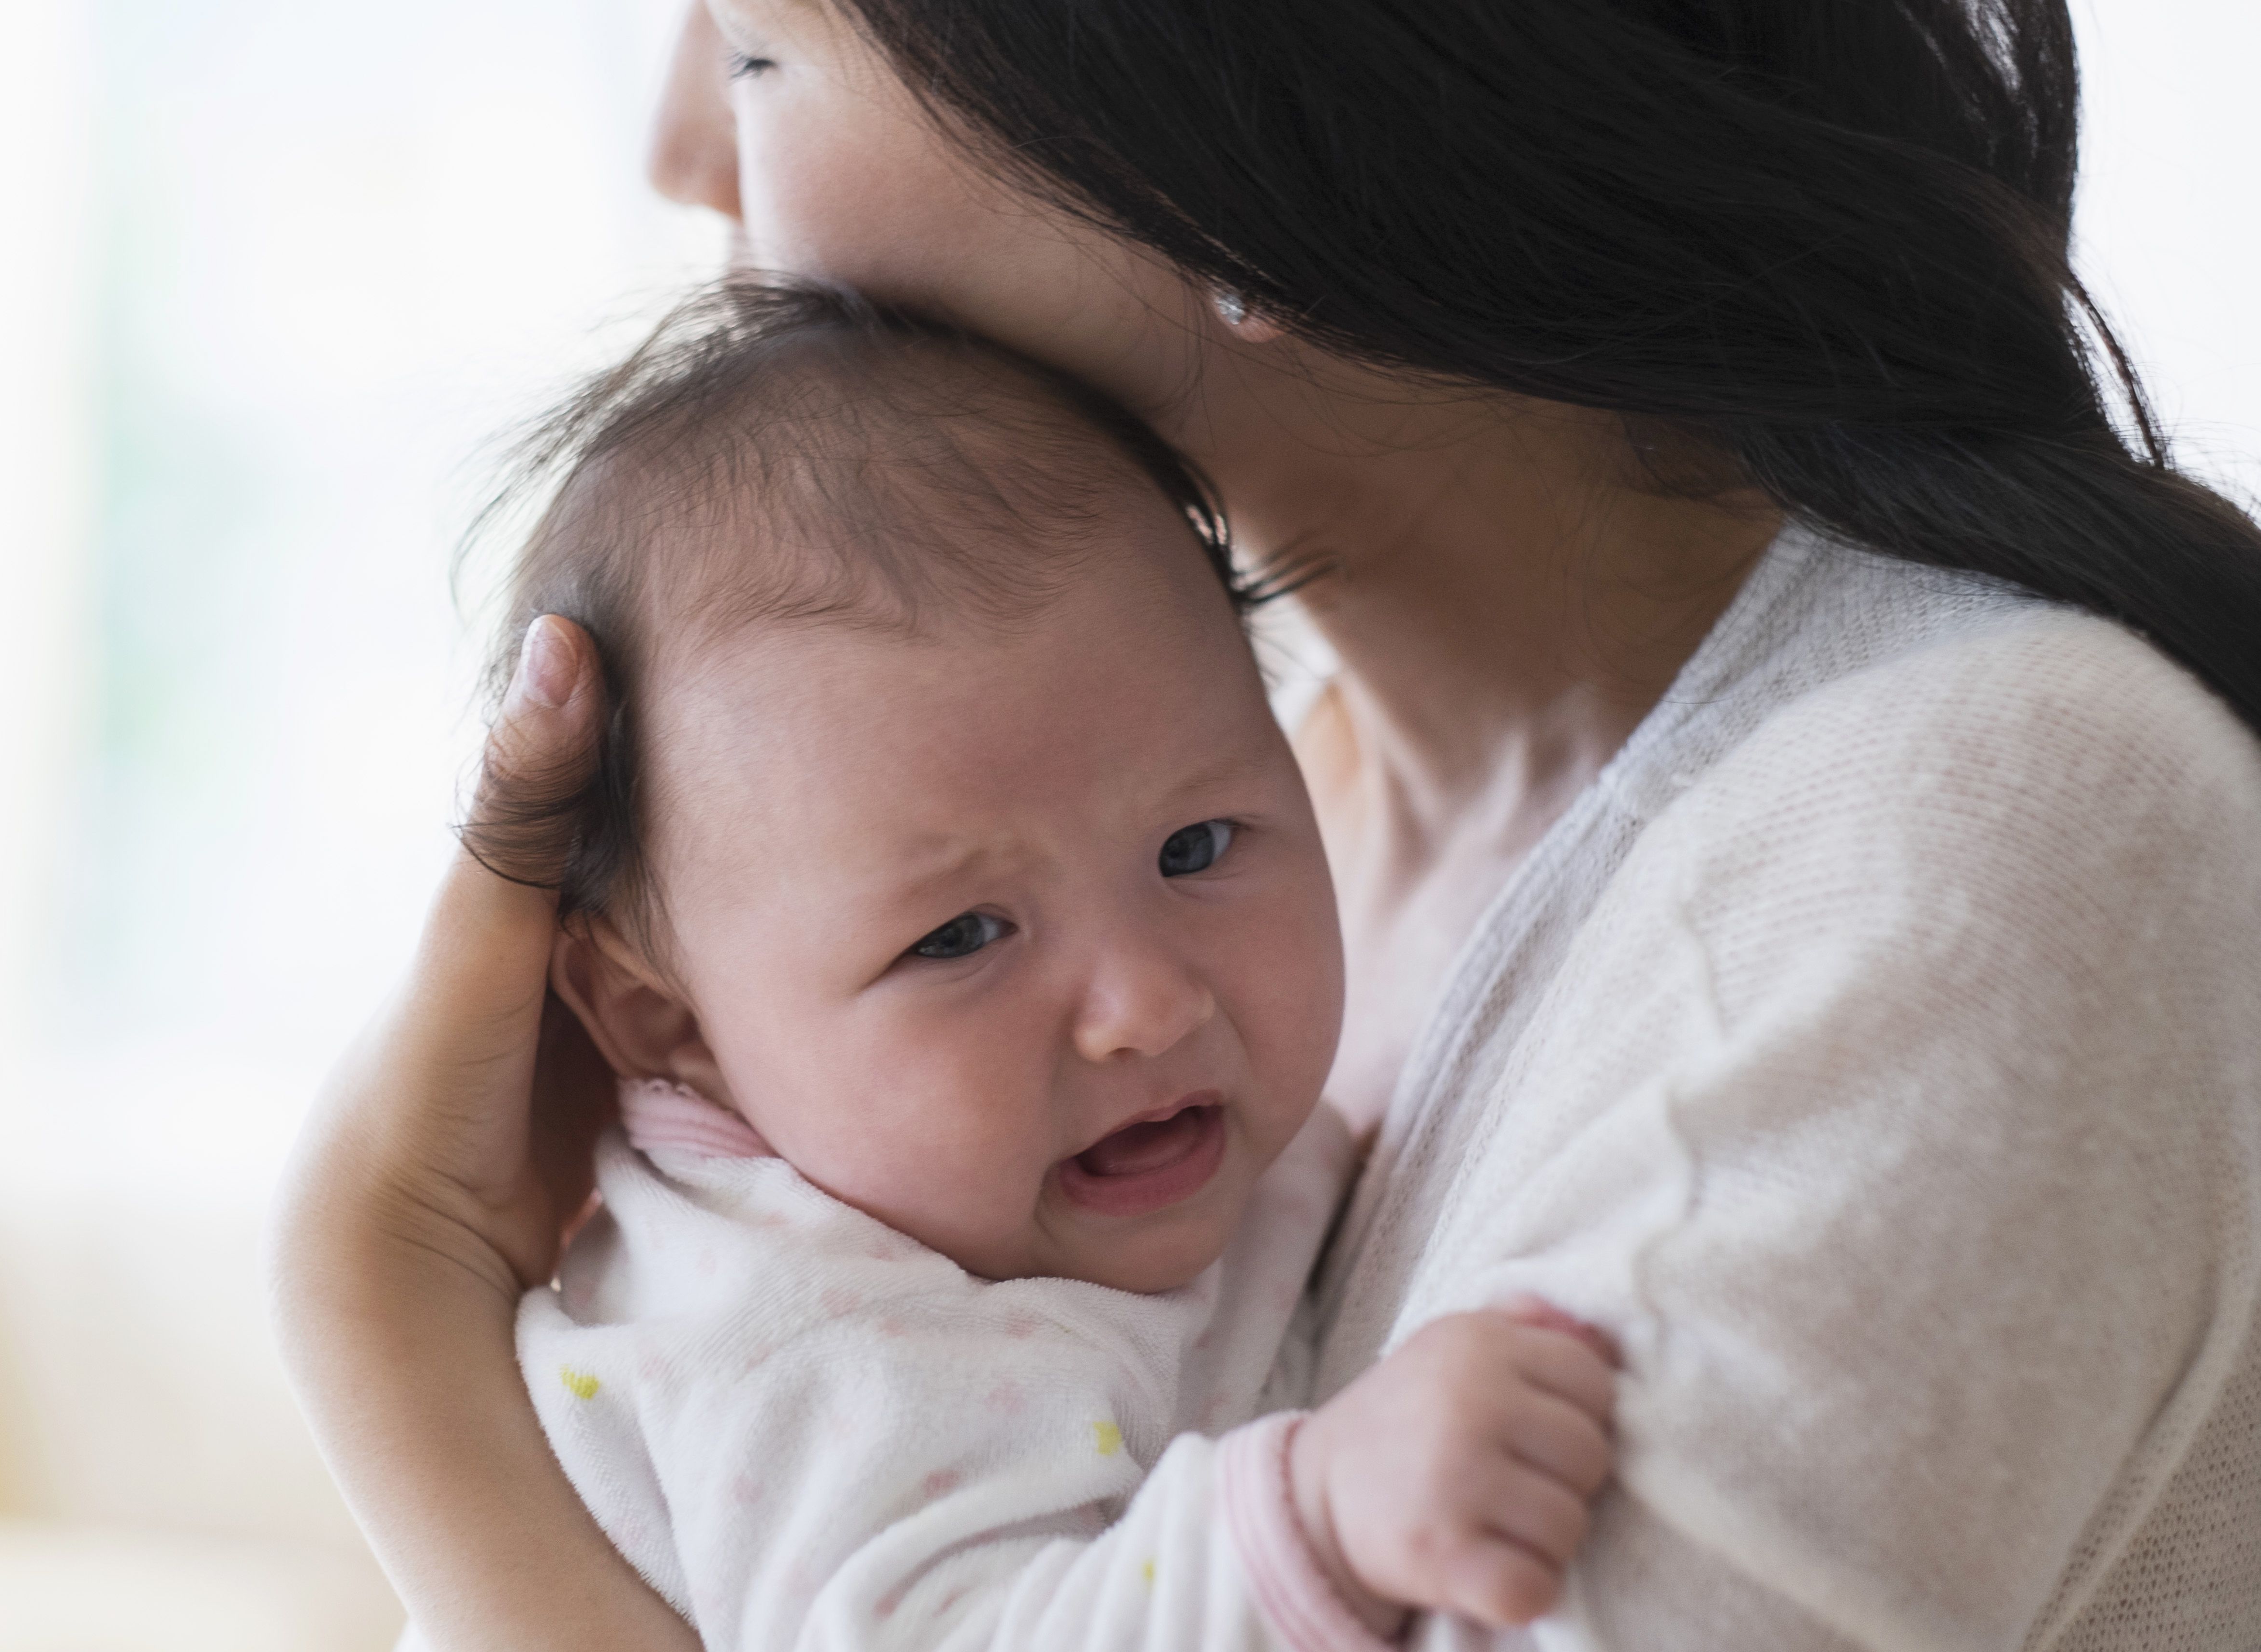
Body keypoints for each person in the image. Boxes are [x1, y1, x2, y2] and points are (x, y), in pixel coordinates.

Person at [270, 2, 2261, 1648]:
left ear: (1222, 115)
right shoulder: (1253, 808)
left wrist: (390, 1315)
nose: (684, 148)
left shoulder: (1943, 840)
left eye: (769, 48)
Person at [484, 278, 1617, 1651]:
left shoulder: (1027, 1181)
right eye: (959, 938)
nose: (1145, 1006)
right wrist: (1307, 1520)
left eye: (1198, 846)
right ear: (669, 1023)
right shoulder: (816, 1340)